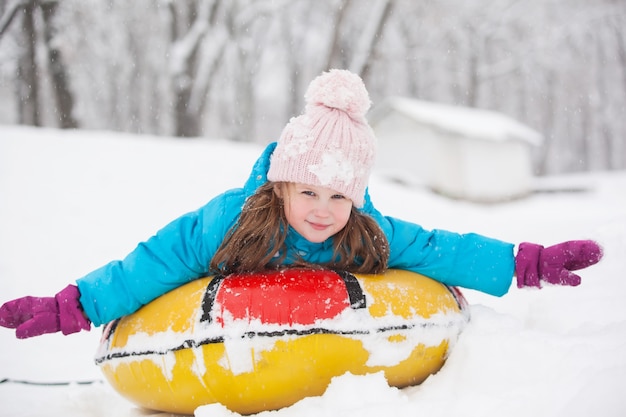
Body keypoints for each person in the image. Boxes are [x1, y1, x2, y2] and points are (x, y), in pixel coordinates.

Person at [0, 69, 603, 339]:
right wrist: (72, 306)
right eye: (308, 192)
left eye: (339, 196)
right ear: (281, 186)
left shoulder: (368, 231)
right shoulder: (231, 222)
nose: (322, 210)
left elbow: (442, 250)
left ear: (358, 196)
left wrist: (527, 262)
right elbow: (153, 262)